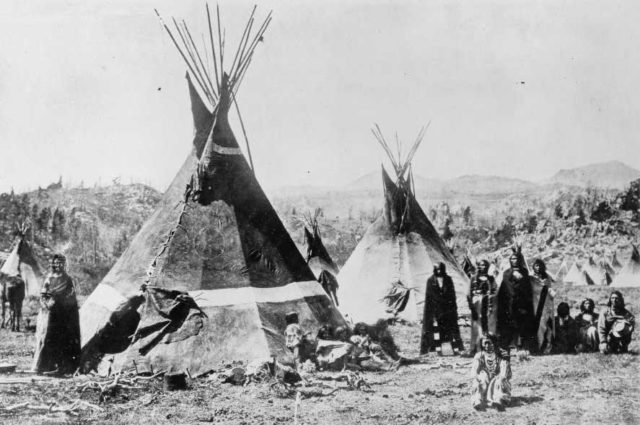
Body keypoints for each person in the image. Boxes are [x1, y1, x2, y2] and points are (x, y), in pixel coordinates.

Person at [32, 254, 81, 375]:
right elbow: (43, 294)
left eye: (60, 263)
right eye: (56, 262)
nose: (58, 265)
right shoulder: (49, 278)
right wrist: (46, 304)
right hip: (51, 313)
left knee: (63, 340)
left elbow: (71, 296)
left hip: (64, 314)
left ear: (64, 264)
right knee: (49, 338)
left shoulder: (68, 279)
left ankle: (63, 368)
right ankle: (47, 366)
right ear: (52, 264)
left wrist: (61, 302)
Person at [498, 249, 536, 353]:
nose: (514, 260)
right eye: (512, 259)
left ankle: (522, 347)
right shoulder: (506, 273)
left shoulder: (524, 272)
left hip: (522, 304)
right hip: (509, 304)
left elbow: (527, 288)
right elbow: (505, 288)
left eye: (516, 258)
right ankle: (509, 346)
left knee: (522, 325)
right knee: (510, 326)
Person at [421, 262, 464, 354]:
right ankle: (436, 349)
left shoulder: (448, 279)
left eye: (441, 269)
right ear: (435, 270)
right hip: (435, 309)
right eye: (437, 269)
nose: (439, 271)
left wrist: (453, 309)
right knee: (435, 330)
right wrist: (431, 313)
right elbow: (429, 297)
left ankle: (454, 349)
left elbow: (452, 295)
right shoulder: (431, 280)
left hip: (447, 309)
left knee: (450, 330)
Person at [471, 333, 512, 411]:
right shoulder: (479, 356)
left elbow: (505, 372)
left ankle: (499, 401)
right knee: (481, 377)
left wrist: (500, 376)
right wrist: (477, 376)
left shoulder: (501, 355)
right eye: (485, 343)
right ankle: (478, 400)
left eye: (489, 343)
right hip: (484, 383)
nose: (487, 345)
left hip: (498, 381)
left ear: (494, 343)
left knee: (499, 381)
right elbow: (474, 371)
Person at [468, 260, 498, 354]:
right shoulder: (473, 278)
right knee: (477, 326)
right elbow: (469, 294)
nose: (483, 267)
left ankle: (487, 348)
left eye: (485, 265)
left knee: (487, 326)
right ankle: (475, 349)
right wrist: (472, 306)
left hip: (487, 304)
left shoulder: (491, 278)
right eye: (481, 265)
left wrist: (490, 298)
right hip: (477, 305)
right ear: (478, 266)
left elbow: (495, 290)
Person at [530, 259, 555, 354]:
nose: (538, 267)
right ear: (533, 267)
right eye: (536, 265)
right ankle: (535, 347)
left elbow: (549, 288)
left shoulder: (547, 277)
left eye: (540, 265)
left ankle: (544, 347)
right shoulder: (531, 278)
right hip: (535, 304)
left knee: (544, 325)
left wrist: (550, 290)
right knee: (536, 326)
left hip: (545, 304)